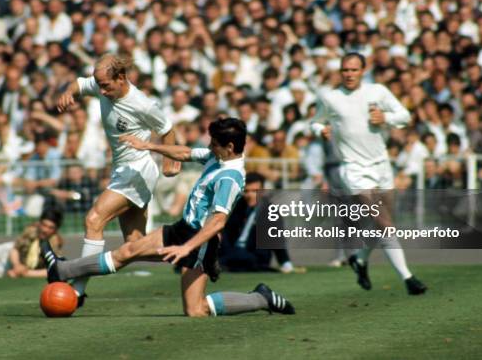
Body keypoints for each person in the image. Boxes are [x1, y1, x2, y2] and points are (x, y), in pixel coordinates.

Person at [41, 118, 295, 317]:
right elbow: (186, 153)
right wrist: (149, 146)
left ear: (229, 147)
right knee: (127, 252)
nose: (208, 147)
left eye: (213, 144)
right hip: (181, 230)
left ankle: (261, 298)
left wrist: (186, 248)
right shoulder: (217, 158)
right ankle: (61, 268)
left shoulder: (230, 178)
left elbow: (217, 222)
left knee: (196, 311)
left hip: (198, 242)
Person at [56, 54, 180, 306]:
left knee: (94, 219)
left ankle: (77, 290)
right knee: (134, 246)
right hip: (122, 170)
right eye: (99, 85)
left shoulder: (141, 104)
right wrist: (68, 93)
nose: (101, 90)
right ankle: (193, 252)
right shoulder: (101, 85)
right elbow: (80, 84)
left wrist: (169, 162)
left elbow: (168, 129)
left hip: (138, 170)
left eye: (106, 85)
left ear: (121, 78)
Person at [311, 53, 427, 296]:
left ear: (363, 70)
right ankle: (408, 278)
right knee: (383, 221)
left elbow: (404, 116)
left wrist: (386, 118)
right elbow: (315, 121)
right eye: (345, 70)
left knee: (384, 223)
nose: (349, 74)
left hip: (381, 165)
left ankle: (360, 260)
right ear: (340, 72)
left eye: (354, 70)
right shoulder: (330, 97)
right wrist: (321, 129)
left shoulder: (378, 92)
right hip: (353, 168)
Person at [220, 172, 306, 274]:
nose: (250, 195)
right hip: (234, 252)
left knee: (232, 258)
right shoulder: (240, 207)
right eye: (246, 191)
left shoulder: (270, 212)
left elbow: (277, 240)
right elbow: (228, 232)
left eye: (254, 191)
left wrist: (285, 263)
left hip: (254, 256)